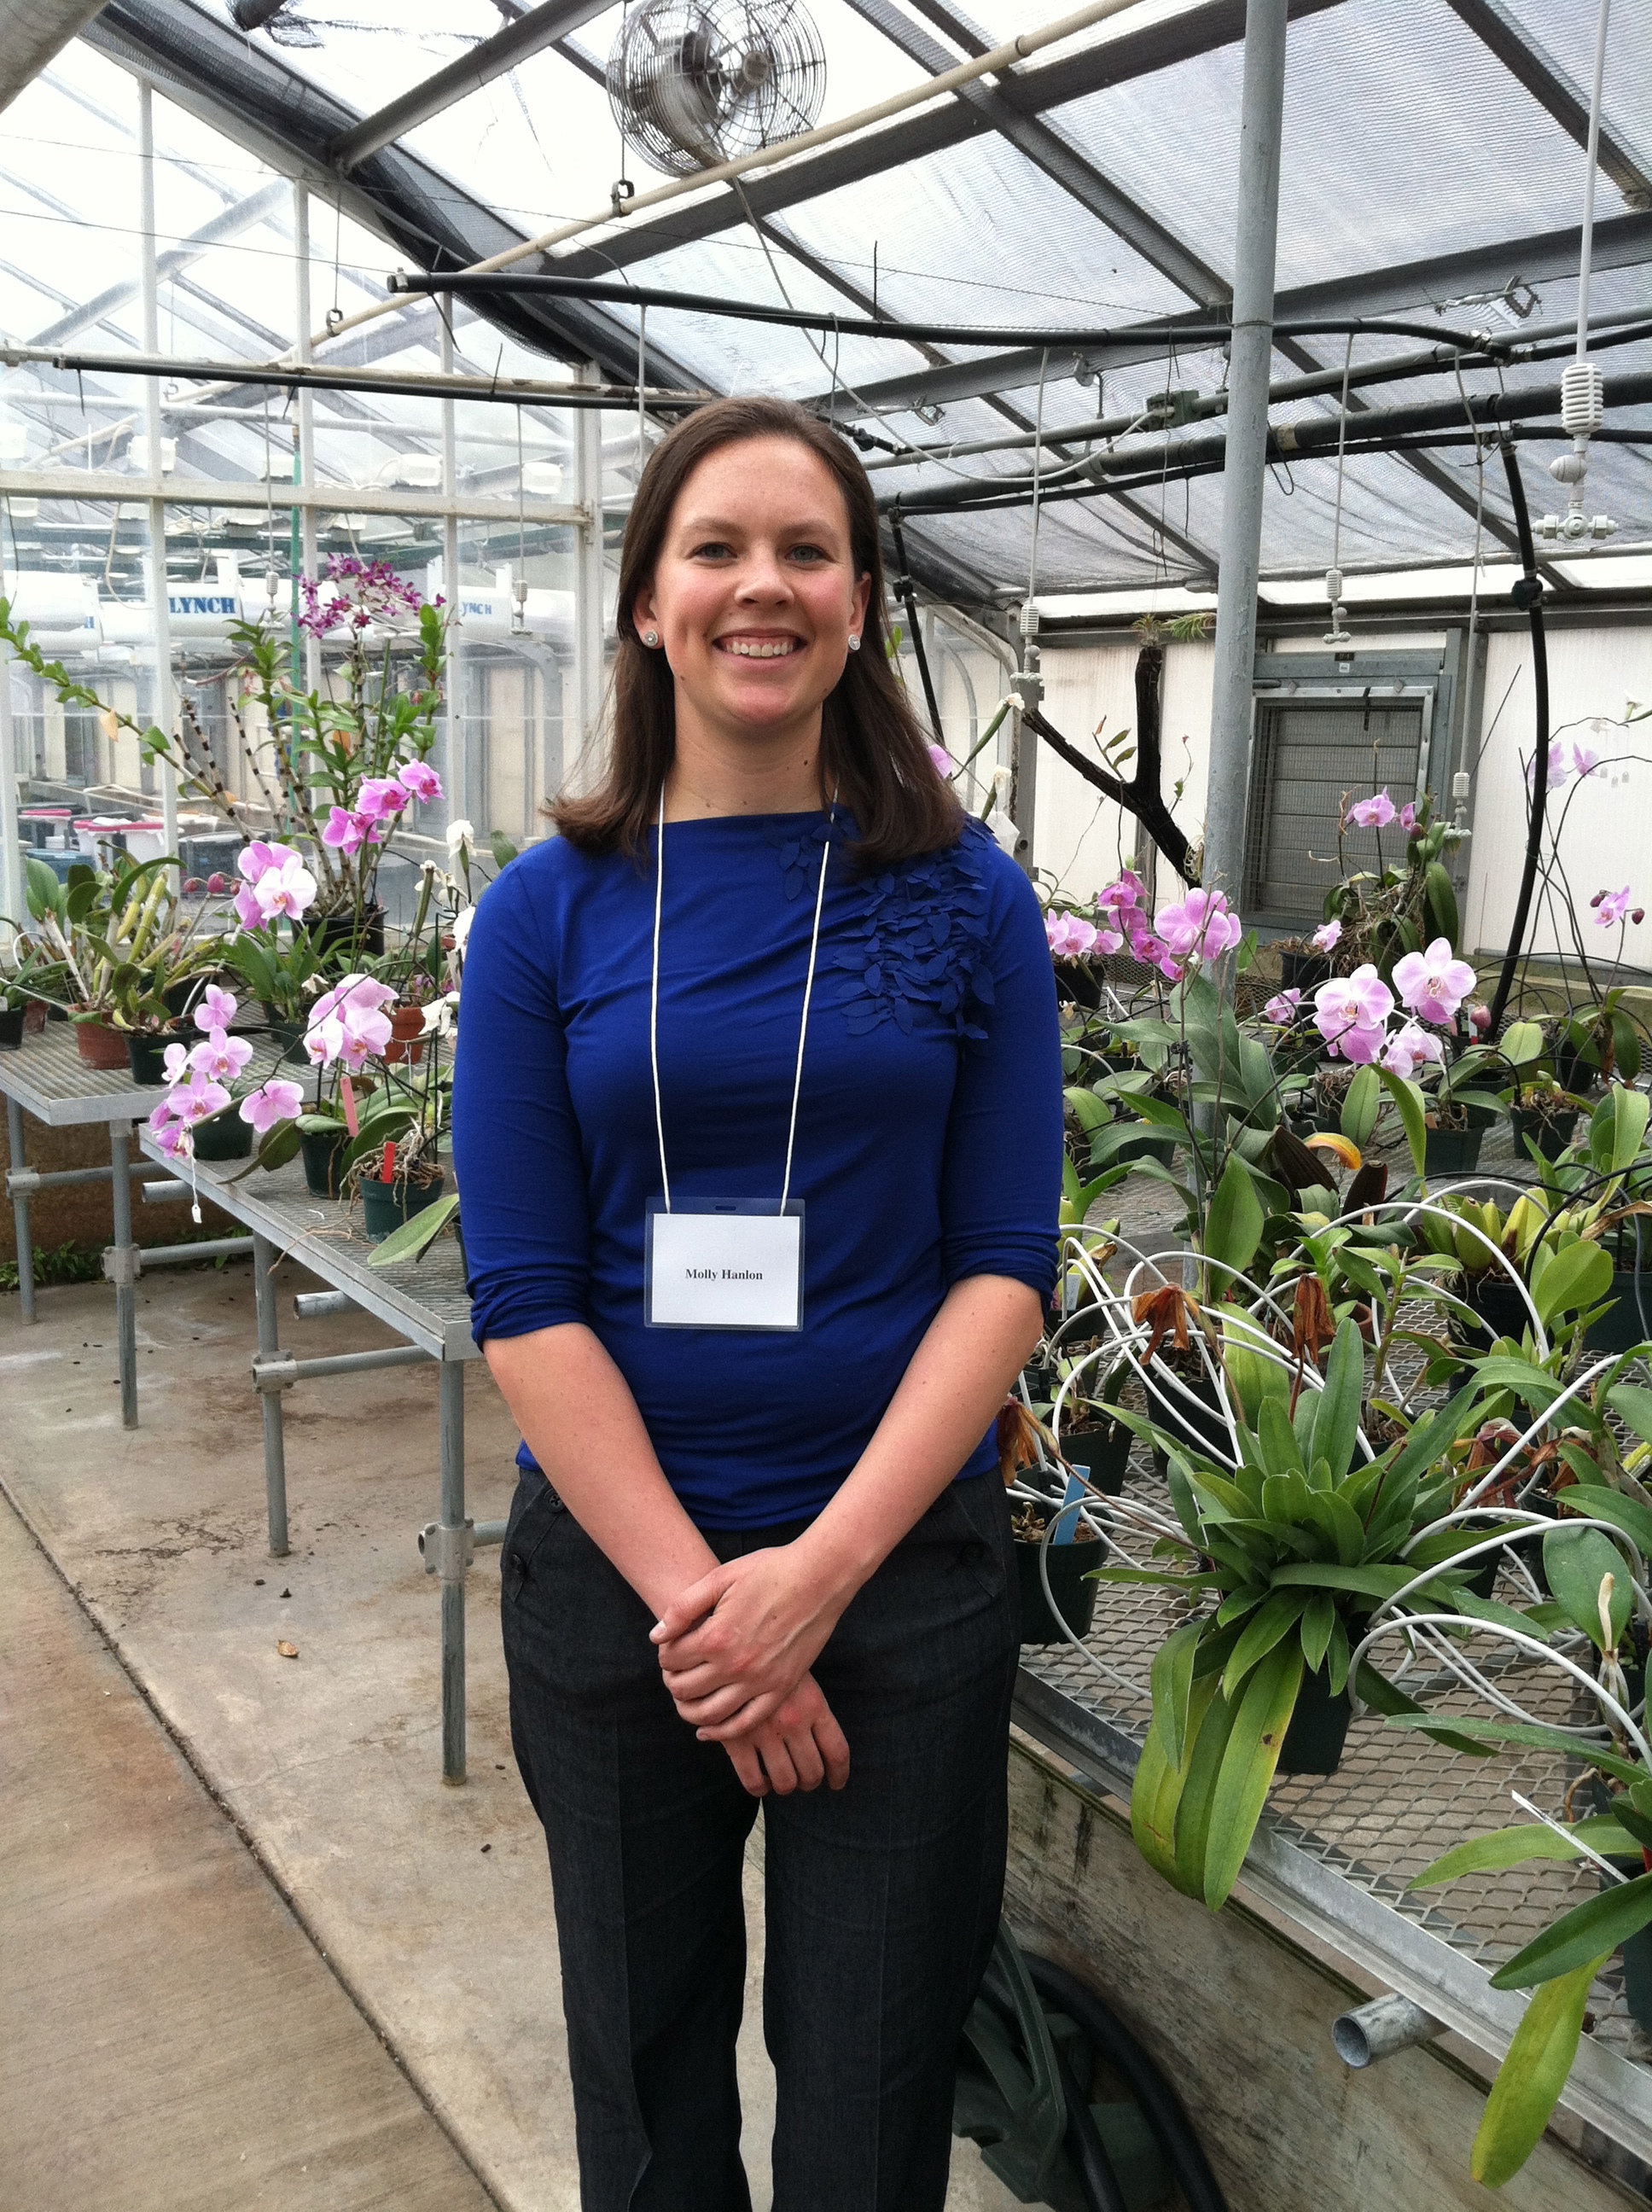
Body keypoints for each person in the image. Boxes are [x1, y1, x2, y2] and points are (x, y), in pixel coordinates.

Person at [452, 393, 1062, 2212]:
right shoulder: (544, 916)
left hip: (895, 1586)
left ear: (860, 603)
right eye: (714, 548)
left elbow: (1001, 1267)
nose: (762, 586)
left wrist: (815, 1584)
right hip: (621, 1598)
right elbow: (525, 1295)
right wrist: (708, 1614)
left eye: (808, 550)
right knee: (645, 2088)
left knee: (872, 2088)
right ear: (648, 602)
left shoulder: (965, 901)